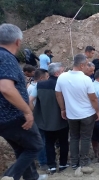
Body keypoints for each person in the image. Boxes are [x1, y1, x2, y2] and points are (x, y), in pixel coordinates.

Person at [0, 23, 47, 180]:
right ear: (18, 42)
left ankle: (31, 177)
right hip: (13, 116)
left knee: (22, 148)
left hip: (4, 117)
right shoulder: (6, 58)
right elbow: (6, 88)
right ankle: (9, 177)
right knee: (36, 146)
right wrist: (27, 111)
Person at [55, 54, 99, 169]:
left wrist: (63, 109)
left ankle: (74, 162)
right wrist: (97, 111)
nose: (86, 67)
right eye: (86, 65)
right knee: (85, 137)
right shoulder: (86, 79)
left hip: (71, 114)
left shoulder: (62, 77)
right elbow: (93, 98)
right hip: (87, 114)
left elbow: (58, 95)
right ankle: (84, 161)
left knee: (74, 137)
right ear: (81, 65)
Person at [29, 63, 69, 174]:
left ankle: (51, 166)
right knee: (63, 142)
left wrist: (35, 112)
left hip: (45, 121)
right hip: (62, 119)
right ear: (57, 73)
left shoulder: (39, 85)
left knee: (49, 143)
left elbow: (30, 100)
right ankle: (63, 164)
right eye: (62, 71)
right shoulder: (63, 84)